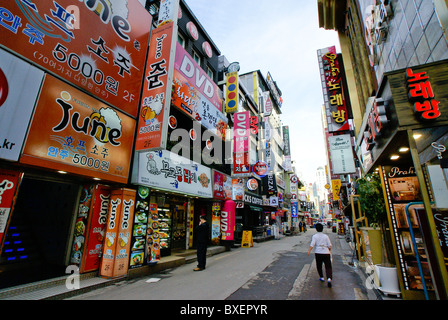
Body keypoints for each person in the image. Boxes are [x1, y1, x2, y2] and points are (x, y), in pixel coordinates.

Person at [307, 223, 333, 287]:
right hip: (326, 252)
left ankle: (321, 277)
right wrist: (329, 250)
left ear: (316, 229)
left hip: (318, 252)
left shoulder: (315, 236)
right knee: (328, 266)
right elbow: (330, 245)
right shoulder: (326, 236)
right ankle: (329, 278)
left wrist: (309, 251)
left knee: (319, 265)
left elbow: (312, 244)